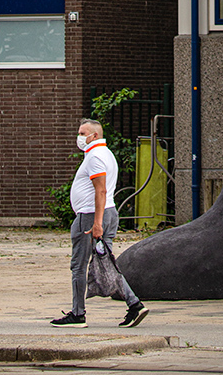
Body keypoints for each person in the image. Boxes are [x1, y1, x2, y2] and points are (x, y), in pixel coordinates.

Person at [51, 118, 149, 328]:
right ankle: (134, 305)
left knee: (78, 265)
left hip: (91, 216)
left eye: (82, 133)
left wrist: (96, 224)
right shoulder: (106, 154)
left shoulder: (95, 156)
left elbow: (101, 190)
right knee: (106, 264)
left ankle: (78, 314)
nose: (79, 137)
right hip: (107, 213)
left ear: (94, 135)